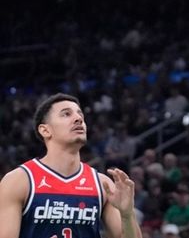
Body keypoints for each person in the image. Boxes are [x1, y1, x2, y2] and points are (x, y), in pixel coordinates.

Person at [0, 94, 141, 238]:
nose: (78, 118)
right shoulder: (18, 181)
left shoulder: (102, 184)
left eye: (80, 115)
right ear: (45, 130)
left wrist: (127, 214)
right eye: (66, 114)